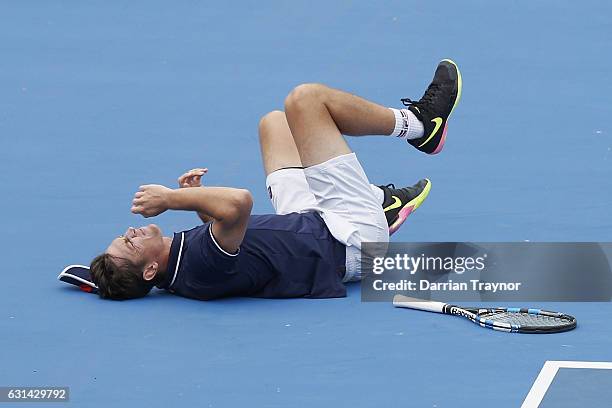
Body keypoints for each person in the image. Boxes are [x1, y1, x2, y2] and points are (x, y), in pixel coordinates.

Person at [89, 59, 462, 300]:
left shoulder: (182, 269)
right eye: (129, 244)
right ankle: (419, 126)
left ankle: (377, 201)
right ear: (150, 270)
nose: (131, 232)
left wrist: (201, 206)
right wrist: (172, 199)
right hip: (347, 238)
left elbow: (233, 243)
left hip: (310, 226)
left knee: (275, 123)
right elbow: (239, 204)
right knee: (305, 101)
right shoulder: (199, 262)